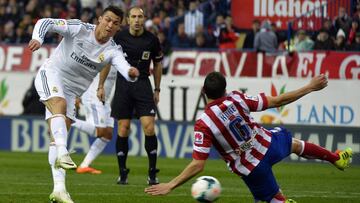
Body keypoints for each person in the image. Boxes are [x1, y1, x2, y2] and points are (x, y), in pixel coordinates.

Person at [145, 72, 353, 202]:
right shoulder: (237, 97)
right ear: (225, 90)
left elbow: (198, 165)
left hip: (252, 167)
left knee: (274, 199)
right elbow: (279, 100)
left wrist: (170, 185)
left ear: (203, 92)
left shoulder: (204, 123)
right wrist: (309, 87)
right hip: (269, 143)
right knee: (296, 145)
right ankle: (336, 159)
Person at [28, 5, 139, 203]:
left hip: (72, 92)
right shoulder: (79, 28)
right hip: (52, 75)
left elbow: (124, 67)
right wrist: (38, 38)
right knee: (59, 106)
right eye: (107, 19)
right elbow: (45, 22)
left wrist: (130, 73)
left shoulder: (113, 49)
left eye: (115, 23)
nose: (110, 25)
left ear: (118, 28)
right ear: (99, 19)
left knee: (57, 137)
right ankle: (64, 152)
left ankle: (59, 190)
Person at [111, 6, 163, 186]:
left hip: (142, 85)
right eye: (133, 16)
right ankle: (122, 172)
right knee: (123, 128)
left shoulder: (152, 40)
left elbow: (157, 65)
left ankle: (152, 173)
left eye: (140, 17)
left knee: (149, 127)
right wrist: (101, 86)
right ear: (127, 20)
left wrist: (157, 89)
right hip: (123, 85)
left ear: (144, 19)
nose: (137, 20)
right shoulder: (118, 38)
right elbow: (107, 59)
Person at [73, 66, 118, 174]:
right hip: (94, 97)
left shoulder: (119, 54)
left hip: (104, 100)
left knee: (107, 135)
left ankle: (84, 165)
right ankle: (67, 119)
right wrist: (77, 94)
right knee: (100, 131)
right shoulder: (103, 53)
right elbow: (84, 72)